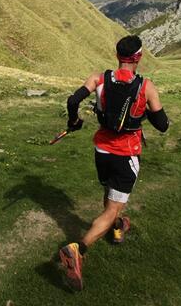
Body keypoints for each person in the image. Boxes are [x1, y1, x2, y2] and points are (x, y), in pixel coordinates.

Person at [58, 35, 169, 291]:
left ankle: (117, 227)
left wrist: (74, 122)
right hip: (126, 153)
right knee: (112, 207)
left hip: (101, 150)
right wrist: (146, 114)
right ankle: (78, 249)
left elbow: (73, 100)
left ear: (118, 55)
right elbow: (162, 125)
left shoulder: (99, 78)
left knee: (110, 193)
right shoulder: (146, 87)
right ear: (138, 57)